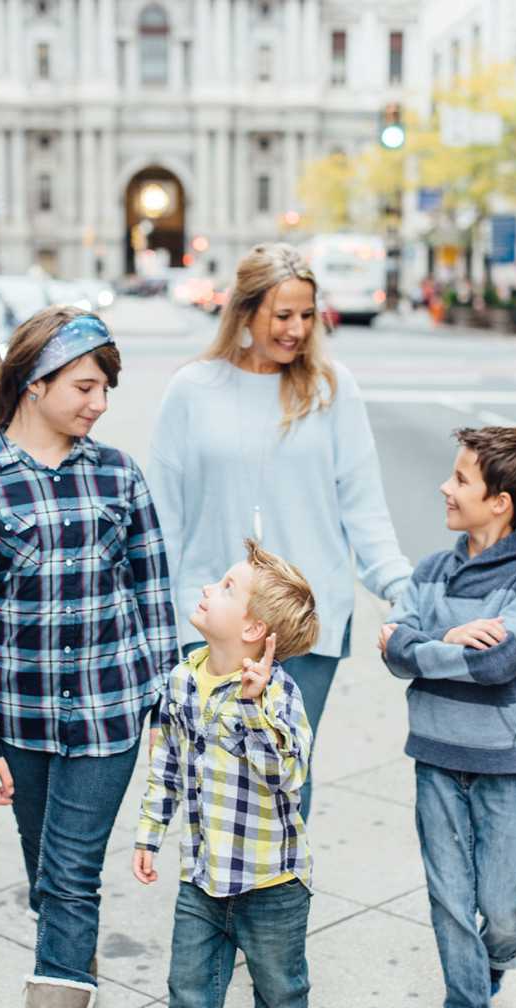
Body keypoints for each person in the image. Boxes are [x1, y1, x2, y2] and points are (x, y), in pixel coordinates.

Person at [0, 307, 178, 1008]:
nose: (99, 402)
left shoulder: (119, 475)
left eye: (106, 387)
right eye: (84, 385)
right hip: (23, 723)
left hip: (109, 717)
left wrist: (159, 692)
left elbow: (152, 589)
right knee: (47, 878)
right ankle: (71, 975)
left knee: (70, 878)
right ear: (33, 383)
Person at [148, 242, 411, 822]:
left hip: (307, 623)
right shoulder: (193, 389)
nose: (296, 329)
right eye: (282, 314)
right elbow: (161, 516)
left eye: (307, 315)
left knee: (287, 772)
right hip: (212, 617)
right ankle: (216, 908)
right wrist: (156, 621)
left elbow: (363, 506)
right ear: (245, 311)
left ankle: (278, 908)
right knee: (217, 774)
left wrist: (401, 585)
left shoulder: (331, 389)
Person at [378, 427, 516, 1008]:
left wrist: (424, 641)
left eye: (460, 479)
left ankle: (498, 958)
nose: (445, 488)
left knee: (502, 914)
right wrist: (448, 638)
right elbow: (393, 650)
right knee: (451, 895)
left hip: (504, 763)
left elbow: (501, 660)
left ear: (500, 502)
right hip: (435, 755)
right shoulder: (429, 573)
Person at [134, 541, 320, 1008]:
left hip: (273, 882)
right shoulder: (182, 680)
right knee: (189, 993)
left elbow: (288, 776)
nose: (211, 589)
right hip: (203, 875)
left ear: (252, 629)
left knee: (280, 991)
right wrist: (149, 831)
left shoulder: (280, 696)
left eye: (227, 588)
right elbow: (166, 762)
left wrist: (255, 708)